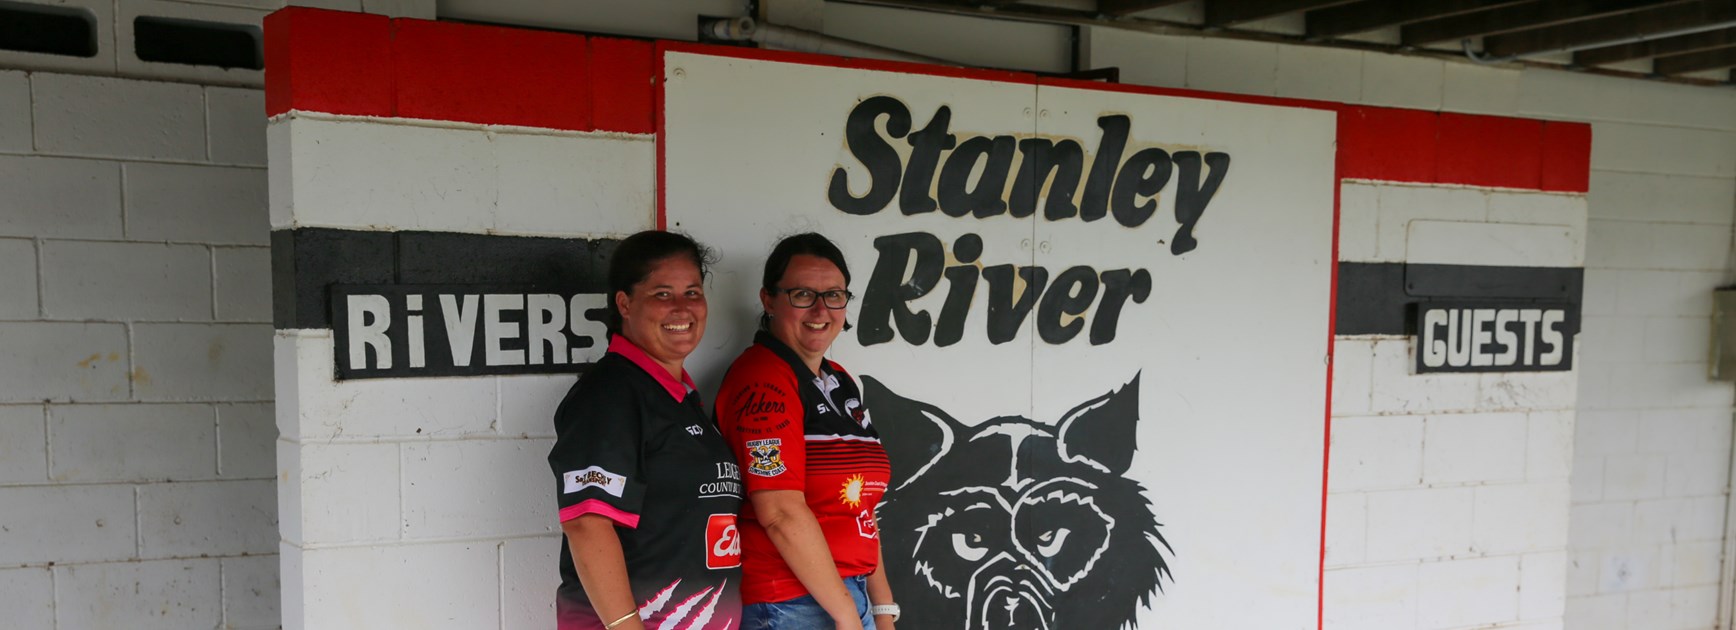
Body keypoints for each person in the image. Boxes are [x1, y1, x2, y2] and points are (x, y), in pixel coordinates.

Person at [547, 231, 743, 630]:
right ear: (625, 303)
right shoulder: (611, 393)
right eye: (662, 294)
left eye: (692, 292)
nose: (681, 308)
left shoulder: (678, 398)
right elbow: (587, 523)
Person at [715, 233, 899, 630]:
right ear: (768, 300)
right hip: (791, 604)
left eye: (834, 295)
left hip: (846, 595)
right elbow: (780, 513)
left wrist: (882, 609)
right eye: (802, 294)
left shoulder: (839, 380)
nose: (820, 309)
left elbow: (860, 508)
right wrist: (848, 617)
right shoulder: (763, 380)